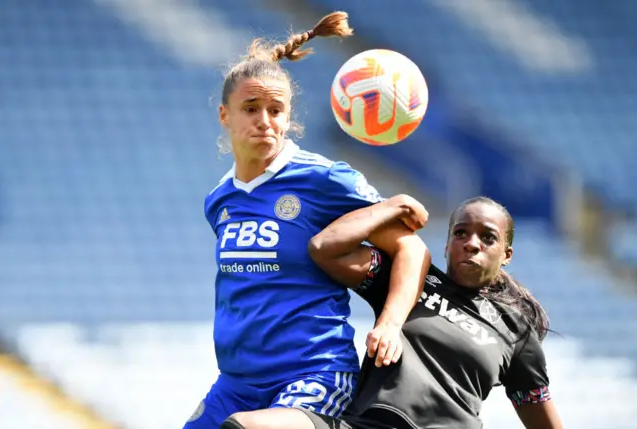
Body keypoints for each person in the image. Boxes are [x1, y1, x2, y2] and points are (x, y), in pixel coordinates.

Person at [185, 12, 432, 429]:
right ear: (225, 116)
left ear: (288, 117)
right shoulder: (220, 201)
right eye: (251, 108)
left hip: (314, 373)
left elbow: (411, 245)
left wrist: (389, 324)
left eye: (276, 110)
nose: (265, 121)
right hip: (237, 383)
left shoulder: (324, 179)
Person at [221, 195, 564, 429]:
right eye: (461, 233)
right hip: (363, 423)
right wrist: (392, 206)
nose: (471, 243)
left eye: (487, 237)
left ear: (506, 254)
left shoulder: (515, 329)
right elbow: (325, 248)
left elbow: (540, 415)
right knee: (245, 425)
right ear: (446, 244)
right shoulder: (412, 280)